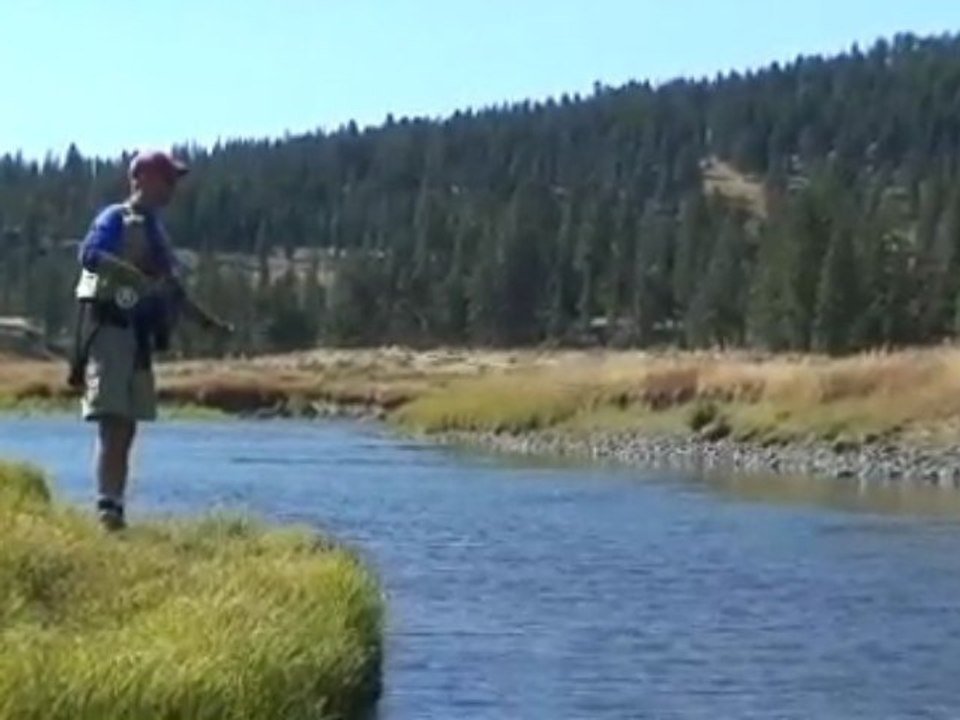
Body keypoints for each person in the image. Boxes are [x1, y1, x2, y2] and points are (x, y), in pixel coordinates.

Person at [71, 149, 233, 531]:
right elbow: (89, 255)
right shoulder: (115, 219)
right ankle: (107, 508)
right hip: (110, 331)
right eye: (166, 178)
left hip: (140, 339)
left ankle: (114, 508)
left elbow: (172, 292)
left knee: (128, 427)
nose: (172, 187)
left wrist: (208, 324)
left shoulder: (157, 231)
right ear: (139, 179)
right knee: (113, 422)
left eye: (173, 179)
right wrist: (134, 278)